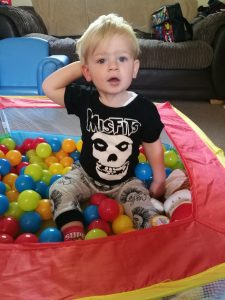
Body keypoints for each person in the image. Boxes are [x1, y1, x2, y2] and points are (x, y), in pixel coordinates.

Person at [42, 14, 166, 241]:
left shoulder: (144, 108)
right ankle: (72, 229)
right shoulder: (83, 99)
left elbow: (153, 146)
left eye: (121, 59)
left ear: (135, 68)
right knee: (58, 189)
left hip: (126, 181)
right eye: (102, 61)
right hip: (85, 175)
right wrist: (83, 66)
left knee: (140, 201)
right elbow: (49, 86)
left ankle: (154, 227)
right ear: (87, 72)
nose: (112, 66)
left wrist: (159, 179)